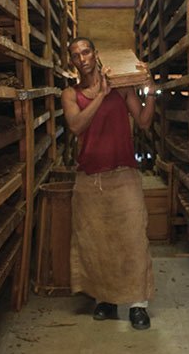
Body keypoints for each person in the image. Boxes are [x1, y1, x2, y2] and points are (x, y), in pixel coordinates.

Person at [62, 37, 157, 330]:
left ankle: (138, 304)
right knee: (96, 242)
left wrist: (151, 91)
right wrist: (101, 96)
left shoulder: (121, 87)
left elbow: (142, 121)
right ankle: (105, 299)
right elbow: (77, 126)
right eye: (76, 55)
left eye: (86, 51)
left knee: (133, 240)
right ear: (72, 62)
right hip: (90, 179)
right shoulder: (70, 94)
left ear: (95, 53)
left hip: (123, 175)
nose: (83, 58)